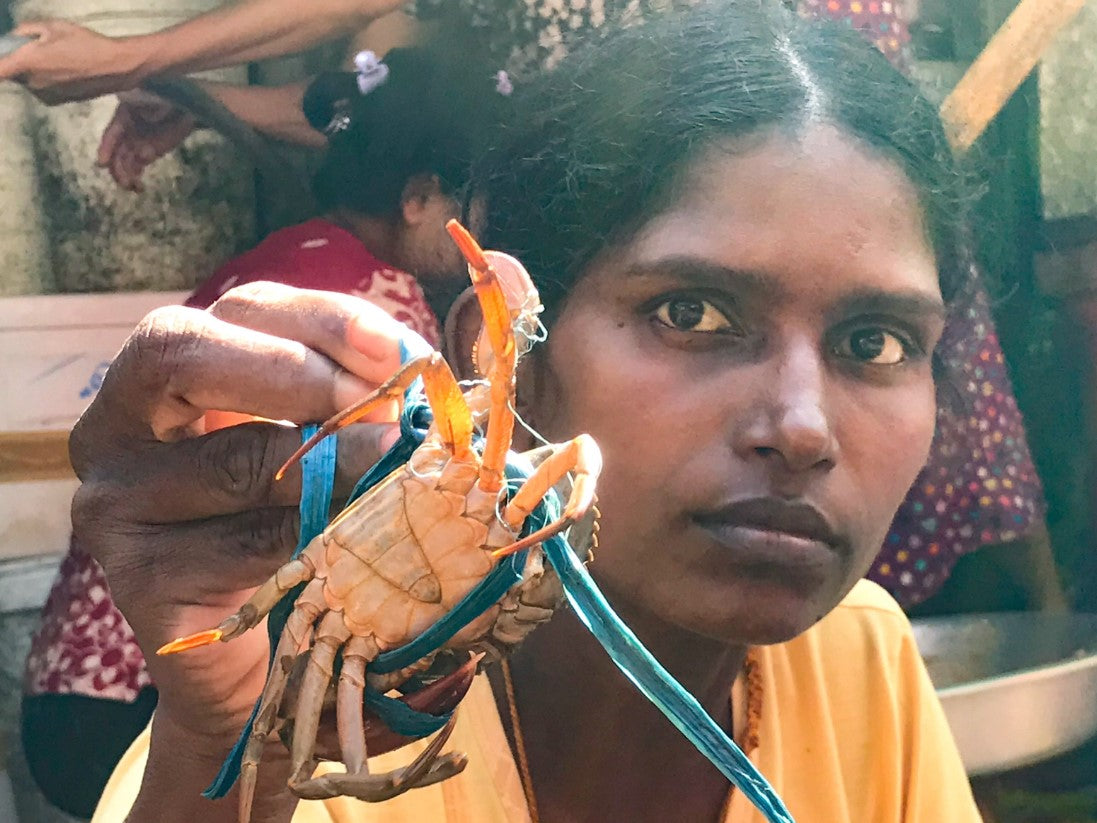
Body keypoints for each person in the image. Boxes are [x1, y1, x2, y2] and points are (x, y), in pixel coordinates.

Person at [77, 5, 981, 821]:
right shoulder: (308, 721)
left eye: (877, 343)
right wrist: (233, 766)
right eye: (690, 313)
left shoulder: (861, 661)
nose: (801, 426)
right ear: (499, 355)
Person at [20, 44, 510, 819]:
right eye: (470, 205)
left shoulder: (288, 263)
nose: (479, 229)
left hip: (79, 679)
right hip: (158, 702)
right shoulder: (375, 309)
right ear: (419, 197)